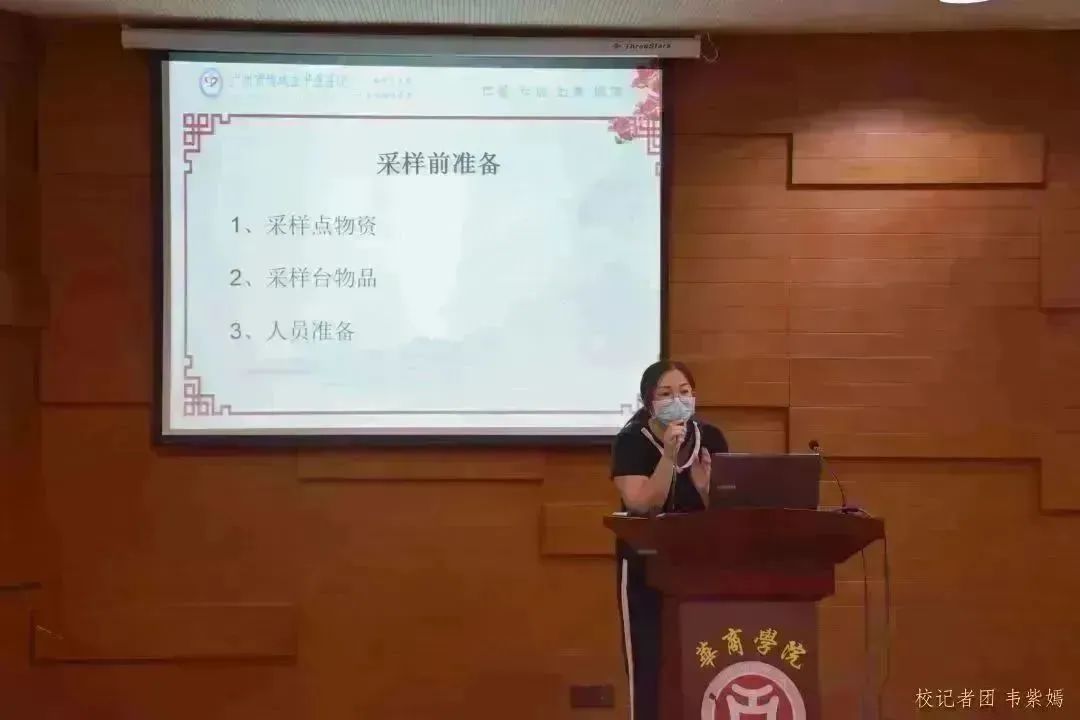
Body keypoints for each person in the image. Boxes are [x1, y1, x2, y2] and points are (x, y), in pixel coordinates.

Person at [610, 360, 729, 720]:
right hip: (645, 569)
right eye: (666, 394)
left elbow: (726, 504)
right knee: (650, 665)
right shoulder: (631, 441)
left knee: (703, 657)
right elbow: (642, 503)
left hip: (700, 566)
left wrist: (707, 488)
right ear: (649, 402)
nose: (677, 400)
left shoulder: (711, 438)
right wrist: (667, 456)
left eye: (684, 392)